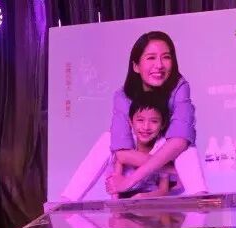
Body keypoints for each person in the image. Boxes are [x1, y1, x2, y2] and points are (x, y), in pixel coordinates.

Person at [58, 31, 206, 202]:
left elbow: (179, 141)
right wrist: (168, 168)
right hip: (139, 172)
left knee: (185, 145)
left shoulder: (180, 87)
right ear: (136, 66)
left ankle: (201, 198)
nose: (159, 65)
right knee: (107, 139)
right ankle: (66, 200)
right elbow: (121, 153)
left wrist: (127, 183)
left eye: (166, 57)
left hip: (164, 181)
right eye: (151, 58)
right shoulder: (123, 96)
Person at [111, 91, 174, 199]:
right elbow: (116, 182)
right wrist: (116, 206)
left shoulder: (162, 146)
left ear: (163, 124)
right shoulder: (126, 141)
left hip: (148, 195)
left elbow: (163, 190)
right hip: (123, 194)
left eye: (154, 121)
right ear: (131, 122)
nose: (146, 127)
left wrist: (142, 196)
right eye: (140, 120)